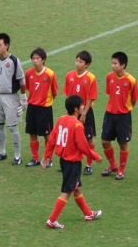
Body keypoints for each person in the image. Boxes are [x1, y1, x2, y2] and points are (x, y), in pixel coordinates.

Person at [41, 95, 102, 229]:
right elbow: (83, 146)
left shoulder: (61, 119)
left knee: (77, 188)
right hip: (72, 162)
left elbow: (52, 139)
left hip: (63, 161)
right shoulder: (77, 125)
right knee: (68, 191)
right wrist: (95, 156)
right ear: (76, 109)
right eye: (81, 105)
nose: (83, 107)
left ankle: (88, 213)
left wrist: (47, 156)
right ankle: (52, 220)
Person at [100, 52, 138, 181]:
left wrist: (126, 108)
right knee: (105, 141)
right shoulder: (109, 77)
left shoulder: (131, 80)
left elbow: (134, 99)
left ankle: (121, 170)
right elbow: (109, 93)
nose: (112, 66)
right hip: (110, 114)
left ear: (123, 65)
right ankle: (113, 166)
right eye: (112, 63)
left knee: (123, 144)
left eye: (115, 63)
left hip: (123, 116)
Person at [0, 33, 27, 165]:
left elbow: (21, 79)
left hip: (10, 97)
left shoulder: (14, 61)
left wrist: (23, 97)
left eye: (0, 45)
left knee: (12, 127)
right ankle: (2, 152)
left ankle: (17, 155)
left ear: (7, 45)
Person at [62, 50, 98, 175]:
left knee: (88, 139)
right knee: (70, 137)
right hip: (72, 112)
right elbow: (67, 94)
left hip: (85, 113)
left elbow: (91, 97)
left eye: (81, 62)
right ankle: (67, 161)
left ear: (86, 64)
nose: (77, 63)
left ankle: (89, 165)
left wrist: (84, 113)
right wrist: (68, 109)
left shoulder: (90, 78)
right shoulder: (69, 75)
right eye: (77, 60)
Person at [24, 48, 58, 167]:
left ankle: (48, 158)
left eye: (37, 58)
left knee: (47, 134)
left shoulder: (50, 74)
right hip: (32, 107)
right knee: (32, 133)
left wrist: (48, 101)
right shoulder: (28, 73)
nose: (35, 61)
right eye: (33, 58)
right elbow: (28, 88)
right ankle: (35, 158)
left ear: (43, 60)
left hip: (44, 109)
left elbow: (54, 92)